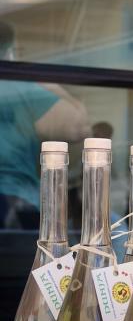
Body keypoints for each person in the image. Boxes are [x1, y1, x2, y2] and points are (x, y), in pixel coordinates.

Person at [0, 22, 90, 229]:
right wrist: (45, 80)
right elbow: (80, 127)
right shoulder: (19, 86)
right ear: (9, 50)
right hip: (13, 197)